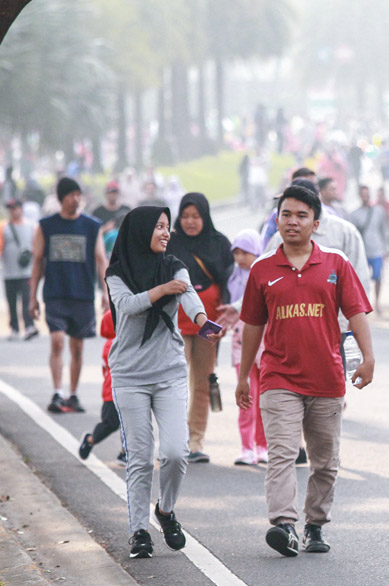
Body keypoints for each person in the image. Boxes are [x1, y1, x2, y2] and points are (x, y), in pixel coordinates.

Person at [235, 183, 374, 557]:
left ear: (316, 222)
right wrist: (243, 375)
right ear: (276, 220)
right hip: (278, 376)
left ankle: (314, 524)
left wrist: (368, 357)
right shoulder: (263, 269)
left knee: (325, 460)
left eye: (301, 215)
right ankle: (283, 524)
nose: (292, 222)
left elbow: (356, 311)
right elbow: (252, 325)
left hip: (327, 377)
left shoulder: (335, 263)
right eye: (286, 214)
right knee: (281, 454)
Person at [106, 206, 224, 559]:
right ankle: (139, 531)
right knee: (140, 458)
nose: (166, 233)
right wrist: (162, 291)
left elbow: (188, 295)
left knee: (175, 452)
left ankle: (166, 510)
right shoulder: (117, 272)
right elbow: (127, 307)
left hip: (169, 372)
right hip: (129, 375)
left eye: (167, 227)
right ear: (141, 231)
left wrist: (203, 320)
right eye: (159, 227)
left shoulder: (175, 266)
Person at [166, 193, 234, 464]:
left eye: (196, 216)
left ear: (205, 217)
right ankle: (175, 440)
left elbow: (231, 280)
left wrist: (228, 312)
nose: (190, 222)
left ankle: (195, 441)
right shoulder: (170, 243)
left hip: (208, 323)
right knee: (174, 382)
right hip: (176, 321)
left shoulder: (219, 244)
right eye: (185, 216)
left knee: (203, 382)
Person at [30, 178, 108, 414]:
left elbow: (101, 259)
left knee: (77, 347)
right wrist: (32, 296)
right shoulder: (46, 226)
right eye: (71, 195)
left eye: (78, 194)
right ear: (61, 198)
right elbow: (37, 261)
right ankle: (57, 392)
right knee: (57, 341)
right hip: (55, 293)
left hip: (82, 293)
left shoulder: (92, 226)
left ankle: (73, 394)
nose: (75, 199)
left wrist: (105, 291)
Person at [220, 229, 267, 465]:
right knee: (247, 396)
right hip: (241, 346)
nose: (240, 258)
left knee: (265, 399)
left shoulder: (266, 275)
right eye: (236, 253)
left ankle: (263, 446)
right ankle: (246, 447)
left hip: (266, 345)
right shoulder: (233, 279)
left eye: (245, 252)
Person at [77, 310, 126, 464]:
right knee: (110, 424)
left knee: (130, 422)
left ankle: (126, 452)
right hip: (112, 392)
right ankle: (91, 440)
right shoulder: (112, 344)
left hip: (124, 389)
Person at [0, 198, 38, 341]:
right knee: (11, 301)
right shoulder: (2, 227)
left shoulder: (31, 226)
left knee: (27, 300)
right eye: (10, 209)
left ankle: (29, 326)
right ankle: (14, 328)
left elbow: (37, 246)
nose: (13, 211)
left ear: (21, 209)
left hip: (27, 272)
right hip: (10, 272)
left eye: (15, 208)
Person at [350, 184, 389, 313]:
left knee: (378, 277)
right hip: (362, 251)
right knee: (362, 278)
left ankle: (377, 302)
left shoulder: (378, 211)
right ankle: (364, 302)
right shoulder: (355, 215)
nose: (366, 197)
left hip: (377, 250)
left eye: (367, 194)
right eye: (363, 195)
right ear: (359, 196)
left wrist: (386, 248)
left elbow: (384, 230)